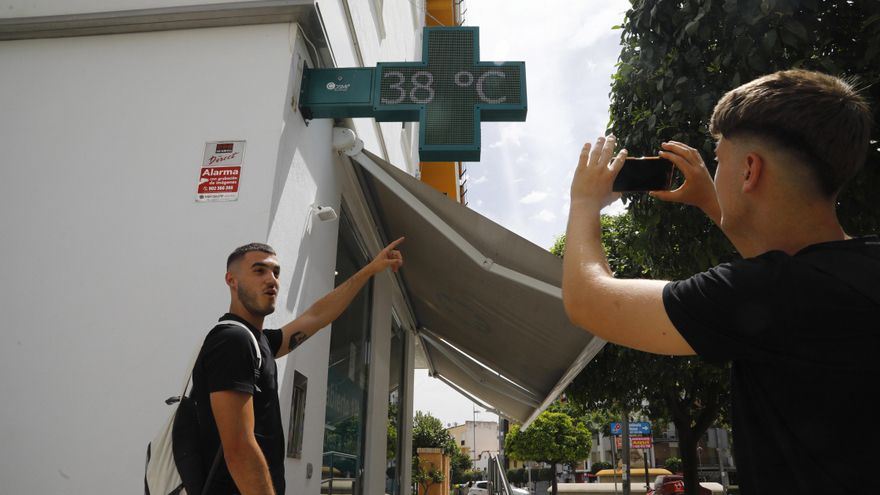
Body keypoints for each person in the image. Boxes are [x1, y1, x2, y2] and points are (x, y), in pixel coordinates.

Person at [562, 69, 878, 493]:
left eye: (719, 161)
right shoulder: (850, 271)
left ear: (749, 170)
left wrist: (584, 203)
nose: (715, 170)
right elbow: (786, 271)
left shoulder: (771, 293)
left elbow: (588, 301)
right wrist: (713, 201)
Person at [191, 237, 404, 494]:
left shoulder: (259, 343)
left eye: (276, 272)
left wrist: (370, 269)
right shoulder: (232, 342)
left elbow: (317, 316)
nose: (271, 280)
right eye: (259, 270)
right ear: (231, 280)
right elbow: (239, 448)